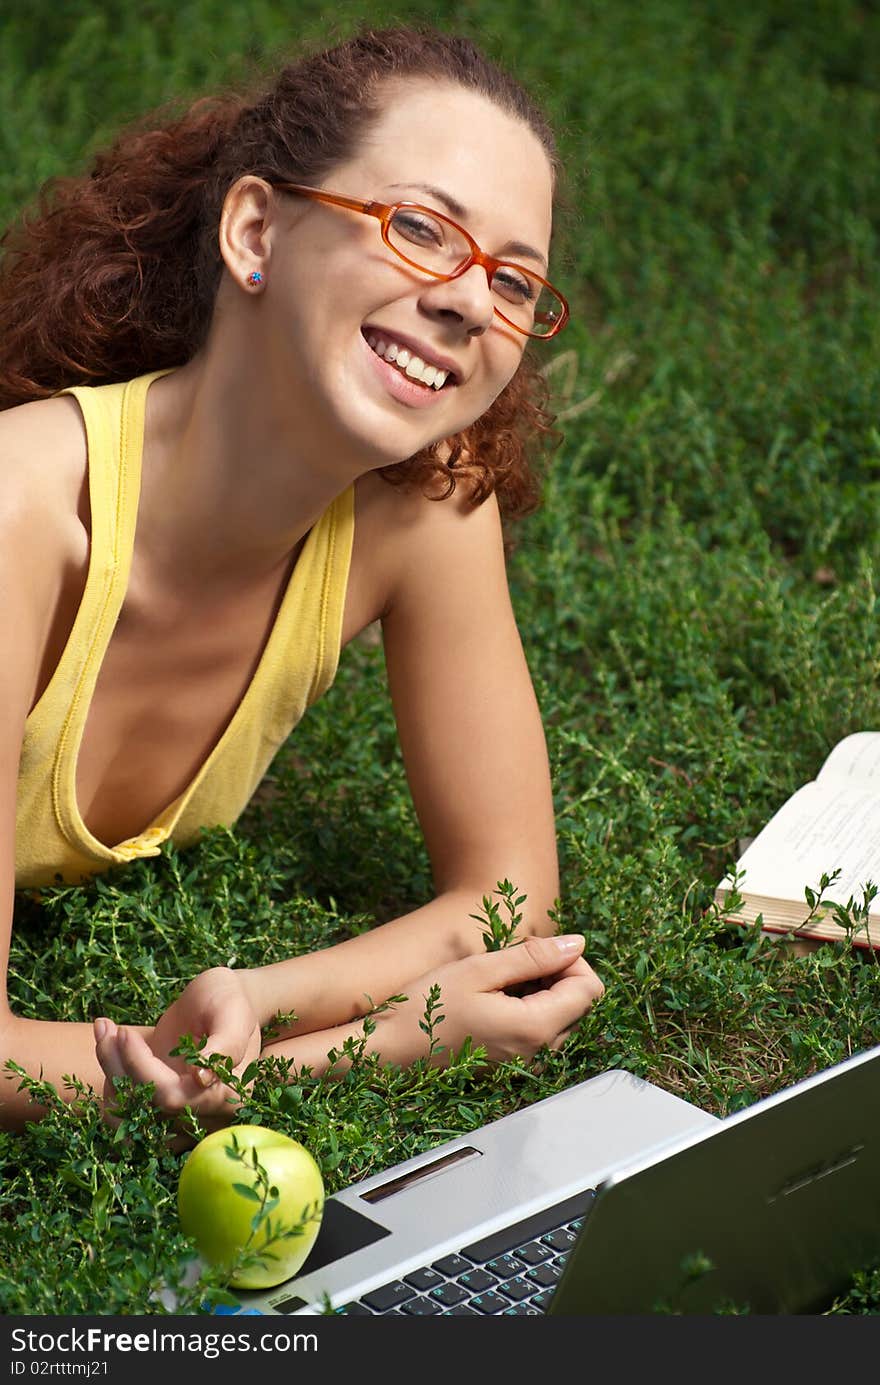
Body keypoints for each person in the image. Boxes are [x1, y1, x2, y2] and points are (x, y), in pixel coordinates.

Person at [0, 26, 604, 1132]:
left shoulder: (425, 508)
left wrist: (263, 996)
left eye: (514, 281)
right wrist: (372, 1045)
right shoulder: (21, 513)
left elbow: (510, 903)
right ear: (256, 229)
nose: (472, 302)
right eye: (422, 229)